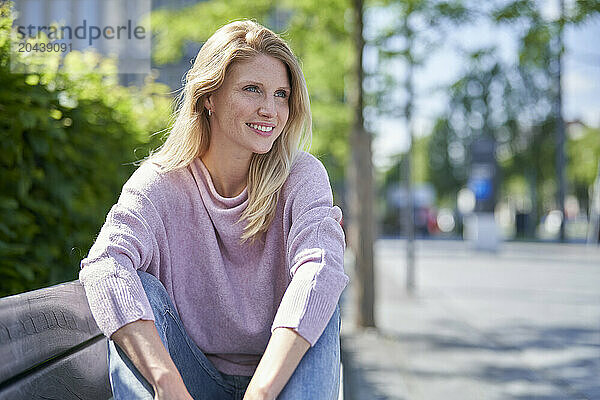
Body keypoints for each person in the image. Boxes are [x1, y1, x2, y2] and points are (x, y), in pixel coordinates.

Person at [78, 19, 349, 400]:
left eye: (281, 95)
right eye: (252, 89)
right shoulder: (160, 183)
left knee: (322, 295)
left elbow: (320, 268)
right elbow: (105, 264)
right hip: (190, 379)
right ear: (209, 96)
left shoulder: (301, 175)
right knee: (136, 284)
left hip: (281, 378)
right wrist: (166, 382)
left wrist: (261, 392)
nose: (270, 109)